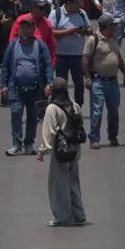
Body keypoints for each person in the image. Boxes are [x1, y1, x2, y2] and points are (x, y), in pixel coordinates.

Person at [0, 17, 54, 156]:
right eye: (22, 27)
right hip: (16, 88)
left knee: (33, 116)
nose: (25, 29)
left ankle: (29, 143)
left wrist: (49, 82)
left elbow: (48, 64)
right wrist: (4, 85)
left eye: (28, 27)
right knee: (16, 114)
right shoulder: (13, 45)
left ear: (33, 29)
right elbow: (5, 65)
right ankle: (16, 144)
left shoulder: (40, 45)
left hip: (35, 88)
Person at [37, 77, 85, 226]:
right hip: (75, 148)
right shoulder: (75, 105)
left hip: (61, 150)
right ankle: (79, 213)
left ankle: (64, 217)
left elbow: (49, 132)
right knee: (73, 180)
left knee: (59, 183)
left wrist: (42, 150)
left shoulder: (52, 108)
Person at [83, 14, 125, 148]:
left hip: (113, 81)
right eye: (113, 25)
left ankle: (113, 136)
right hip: (99, 81)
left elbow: (118, 57)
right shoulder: (93, 39)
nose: (115, 27)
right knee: (97, 111)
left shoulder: (114, 39)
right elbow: (85, 59)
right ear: (106, 26)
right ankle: (94, 138)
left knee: (114, 110)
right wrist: (88, 77)